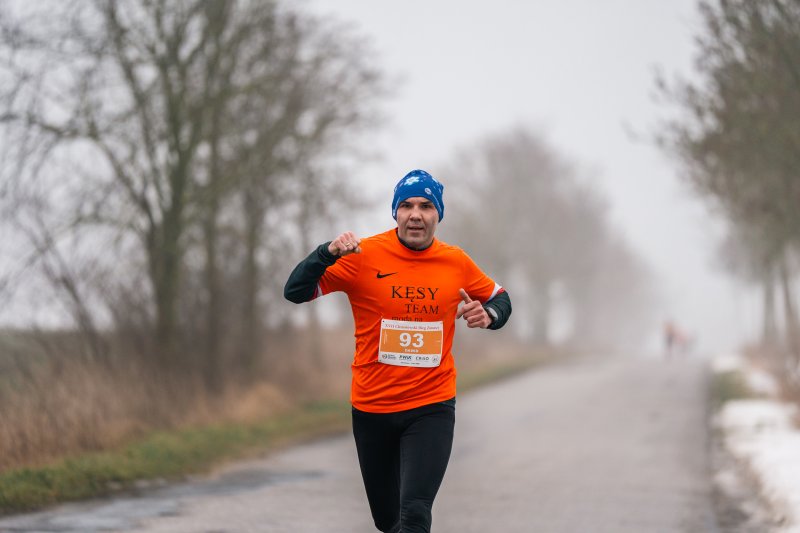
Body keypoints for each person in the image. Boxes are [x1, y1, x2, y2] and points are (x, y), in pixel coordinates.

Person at [284, 169, 512, 533]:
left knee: (416, 514)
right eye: (406, 206)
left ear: (438, 214)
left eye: (426, 206)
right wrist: (326, 253)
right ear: (396, 213)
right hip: (372, 407)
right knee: (388, 521)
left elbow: (500, 298)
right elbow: (295, 291)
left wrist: (490, 314)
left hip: (431, 405)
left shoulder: (455, 261)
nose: (415, 214)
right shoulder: (363, 256)